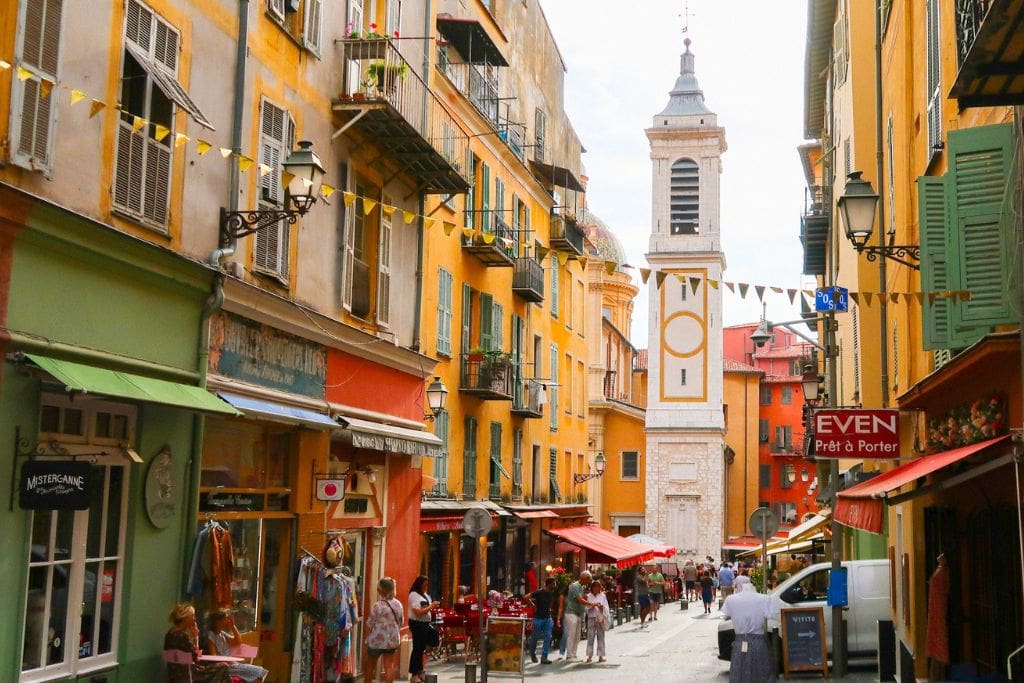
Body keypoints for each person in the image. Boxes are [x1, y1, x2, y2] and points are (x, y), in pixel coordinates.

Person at [721, 583, 775, 682]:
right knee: (760, 673)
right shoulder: (764, 599)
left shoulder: (731, 599)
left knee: (740, 673)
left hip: (740, 643)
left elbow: (727, 613)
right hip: (757, 643)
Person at [164, 604, 230, 683]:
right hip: (189, 674)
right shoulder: (183, 635)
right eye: (193, 616)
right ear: (186, 618)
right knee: (223, 667)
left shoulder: (169, 634)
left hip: (175, 675)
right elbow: (195, 657)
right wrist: (196, 637)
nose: (194, 619)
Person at [205, 610, 269, 682]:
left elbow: (238, 641)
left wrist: (233, 626)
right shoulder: (211, 635)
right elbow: (214, 657)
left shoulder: (222, 634)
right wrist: (227, 660)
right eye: (226, 619)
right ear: (218, 622)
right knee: (259, 672)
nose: (228, 621)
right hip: (225, 667)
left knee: (261, 673)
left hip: (233, 664)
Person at [364, 577, 404, 683]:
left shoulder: (377, 606)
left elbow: (370, 623)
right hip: (392, 639)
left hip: (377, 639)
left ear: (382, 590)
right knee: (388, 666)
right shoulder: (398, 604)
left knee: (370, 665)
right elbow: (401, 622)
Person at [407, 575, 439, 683]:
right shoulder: (414, 595)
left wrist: (432, 607)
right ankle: (414, 673)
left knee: (422, 648)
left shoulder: (424, 595)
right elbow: (417, 612)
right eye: (424, 585)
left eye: (427, 585)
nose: (426, 587)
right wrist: (431, 607)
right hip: (417, 624)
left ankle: (420, 670)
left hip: (425, 623)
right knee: (417, 648)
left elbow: (426, 608)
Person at [559, 570, 593, 661]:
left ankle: (574, 655)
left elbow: (583, 598)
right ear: (584, 578)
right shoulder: (575, 586)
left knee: (577, 636)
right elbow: (580, 600)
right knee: (572, 635)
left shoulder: (581, 587)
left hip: (578, 613)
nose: (589, 582)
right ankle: (569, 655)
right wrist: (592, 604)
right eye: (589, 579)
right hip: (571, 613)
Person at [927, 553, 951, 682]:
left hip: (939, 611)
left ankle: (937, 677)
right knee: (936, 644)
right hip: (935, 612)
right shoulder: (941, 571)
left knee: (939, 643)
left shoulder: (943, 571)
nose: (939, 556)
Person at [526, 577, 557, 664]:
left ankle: (544, 657)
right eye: (554, 584)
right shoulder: (539, 592)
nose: (555, 586)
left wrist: (550, 610)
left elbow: (551, 603)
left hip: (547, 618)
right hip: (538, 618)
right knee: (535, 638)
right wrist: (533, 605)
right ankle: (532, 654)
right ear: (550, 584)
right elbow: (526, 597)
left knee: (548, 637)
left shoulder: (551, 593)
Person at [584, 580, 610, 663]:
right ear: (592, 588)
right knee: (590, 637)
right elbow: (585, 608)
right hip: (591, 618)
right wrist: (591, 606)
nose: (597, 588)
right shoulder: (588, 596)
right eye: (595, 587)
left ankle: (601, 656)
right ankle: (589, 656)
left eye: (598, 586)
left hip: (600, 618)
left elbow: (606, 607)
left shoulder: (602, 596)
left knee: (601, 637)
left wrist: (602, 607)